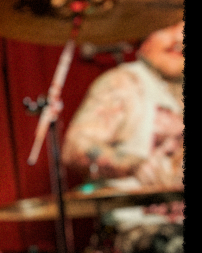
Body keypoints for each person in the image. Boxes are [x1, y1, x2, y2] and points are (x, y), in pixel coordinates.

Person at [61, 20, 184, 192]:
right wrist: (132, 165)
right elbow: (75, 147)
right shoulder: (124, 82)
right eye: (168, 28)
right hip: (135, 205)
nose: (179, 38)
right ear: (144, 38)